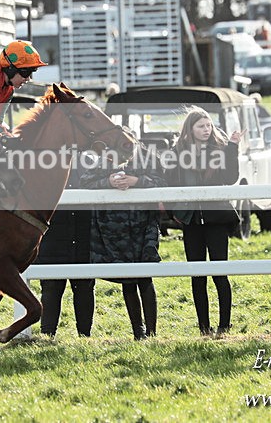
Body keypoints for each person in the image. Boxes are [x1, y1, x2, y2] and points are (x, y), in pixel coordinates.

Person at [165, 106, 242, 336]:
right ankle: (203, 328)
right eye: (201, 126)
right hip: (190, 221)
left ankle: (225, 326)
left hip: (216, 218)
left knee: (220, 273)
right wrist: (174, 212)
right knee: (197, 275)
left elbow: (230, 178)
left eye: (209, 125)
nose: (207, 129)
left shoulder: (221, 148)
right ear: (190, 129)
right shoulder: (177, 152)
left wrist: (234, 149)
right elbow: (170, 184)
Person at [80, 144, 165, 340]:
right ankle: (138, 332)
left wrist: (136, 181)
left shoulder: (148, 158)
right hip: (113, 229)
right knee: (127, 279)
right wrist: (108, 181)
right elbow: (85, 183)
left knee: (146, 276)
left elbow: (161, 182)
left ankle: (152, 333)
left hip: (143, 225)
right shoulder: (104, 161)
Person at [35, 164, 95, 338]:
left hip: (82, 233)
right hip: (53, 234)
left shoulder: (90, 161)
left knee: (84, 286)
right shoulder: (44, 163)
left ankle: (84, 335)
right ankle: (47, 335)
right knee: (51, 287)